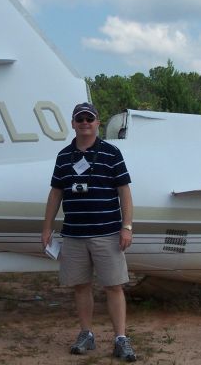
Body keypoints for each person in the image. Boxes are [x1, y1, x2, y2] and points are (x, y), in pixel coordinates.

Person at [42, 102, 137, 362]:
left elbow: (124, 192)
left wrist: (126, 227)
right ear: (73, 124)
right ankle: (86, 334)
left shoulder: (111, 153)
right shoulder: (64, 156)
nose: (85, 122)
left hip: (107, 233)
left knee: (114, 286)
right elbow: (55, 193)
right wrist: (47, 227)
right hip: (74, 235)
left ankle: (120, 338)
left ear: (97, 123)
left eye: (89, 118)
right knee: (81, 286)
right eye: (80, 119)